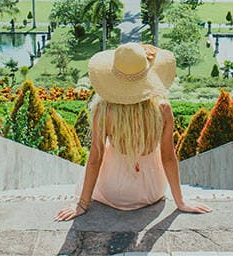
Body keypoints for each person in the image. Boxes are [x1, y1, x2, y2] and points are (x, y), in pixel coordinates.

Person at [55, 42, 212, 220]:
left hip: (112, 190)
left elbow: (95, 159)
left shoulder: (104, 111)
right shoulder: (162, 109)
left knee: (102, 153)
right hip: (151, 191)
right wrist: (181, 202)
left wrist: (82, 204)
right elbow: (168, 157)